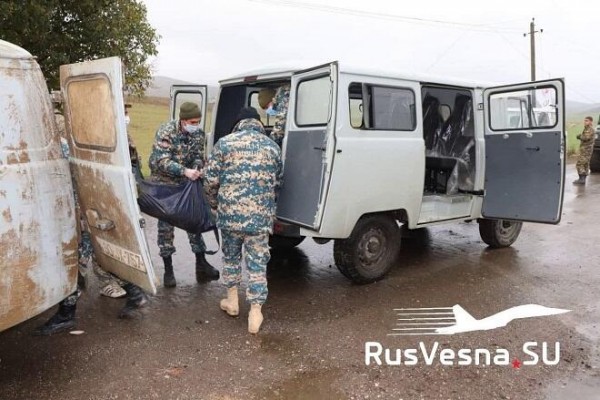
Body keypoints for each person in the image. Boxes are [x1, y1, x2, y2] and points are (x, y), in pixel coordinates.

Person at [34, 105, 149, 335]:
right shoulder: (80, 139)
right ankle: (135, 294)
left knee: (75, 263)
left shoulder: (61, 144)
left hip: (81, 215)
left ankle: (66, 315)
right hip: (86, 212)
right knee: (101, 257)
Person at [205, 107, 283, 334]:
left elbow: (210, 182)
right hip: (260, 219)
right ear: (258, 123)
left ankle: (232, 302)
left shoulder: (224, 143)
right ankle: (256, 312)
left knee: (231, 258)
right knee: (258, 264)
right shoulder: (273, 147)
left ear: (238, 123)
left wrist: (215, 206)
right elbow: (278, 183)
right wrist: (268, 206)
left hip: (230, 217)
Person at [148, 102, 219, 287]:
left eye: (198, 121)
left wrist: (196, 167)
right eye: (192, 122)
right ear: (183, 120)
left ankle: (201, 264)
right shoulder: (166, 131)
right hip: (166, 187)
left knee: (194, 220)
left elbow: (198, 155)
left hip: (187, 184)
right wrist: (183, 170)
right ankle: (168, 270)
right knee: (166, 226)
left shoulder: (198, 134)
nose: (195, 125)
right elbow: (160, 161)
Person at [573, 116, 596, 185]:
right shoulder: (588, 129)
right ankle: (583, 179)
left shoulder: (589, 129)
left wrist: (579, 137)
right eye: (585, 120)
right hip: (587, 149)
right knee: (585, 164)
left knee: (580, 164)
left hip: (586, 150)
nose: (585, 122)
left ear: (591, 122)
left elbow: (586, 137)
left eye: (587, 121)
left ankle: (581, 179)